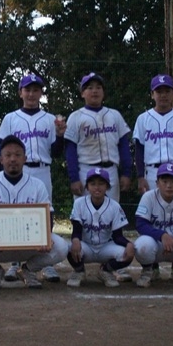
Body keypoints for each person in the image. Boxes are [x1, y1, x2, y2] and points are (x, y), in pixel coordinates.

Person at [0, 135, 68, 289]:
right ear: (1, 159)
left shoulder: (37, 184)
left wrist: (44, 239)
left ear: (25, 159)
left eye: (18, 155)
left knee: (61, 247)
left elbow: (48, 216)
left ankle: (28, 270)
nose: (13, 159)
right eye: (8, 155)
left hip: (29, 244)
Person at [64, 72, 133, 283]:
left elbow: (124, 145)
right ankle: (79, 265)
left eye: (98, 87)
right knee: (82, 217)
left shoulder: (115, 115)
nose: (94, 91)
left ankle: (110, 266)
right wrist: (74, 177)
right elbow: (70, 149)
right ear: (82, 93)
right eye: (89, 87)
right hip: (86, 169)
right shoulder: (76, 117)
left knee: (111, 215)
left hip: (110, 170)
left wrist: (126, 172)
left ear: (103, 92)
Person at [0, 74, 66, 283]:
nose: (31, 94)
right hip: (18, 170)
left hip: (42, 169)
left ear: (41, 93)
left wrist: (60, 135)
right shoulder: (10, 118)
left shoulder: (50, 119)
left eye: (36, 90)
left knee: (45, 213)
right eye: (27, 89)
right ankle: (15, 263)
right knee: (15, 213)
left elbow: (56, 152)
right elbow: (2, 149)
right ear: (20, 92)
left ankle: (45, 263)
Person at [66, 168, 135, 288]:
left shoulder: (114, 206)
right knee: (68, 247)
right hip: (86, 246)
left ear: (107, 187)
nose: (97, 187)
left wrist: (128, 244)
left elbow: (117, 236)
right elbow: (76, 230)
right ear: (87, 187)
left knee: (128, 252)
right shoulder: (79, 203)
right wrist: (75, 240)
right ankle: (79, 271)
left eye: (101, 184)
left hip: (105, 247)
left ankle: (105, 271)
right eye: (93, 184)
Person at [132, 75, 173, 195]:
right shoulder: (143, 118)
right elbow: (139, 150)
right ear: (152, 94)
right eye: (159, 91)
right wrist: (140, 177)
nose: (163, 95)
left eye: (167, 91)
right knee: (152, 206)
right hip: (152, 173)